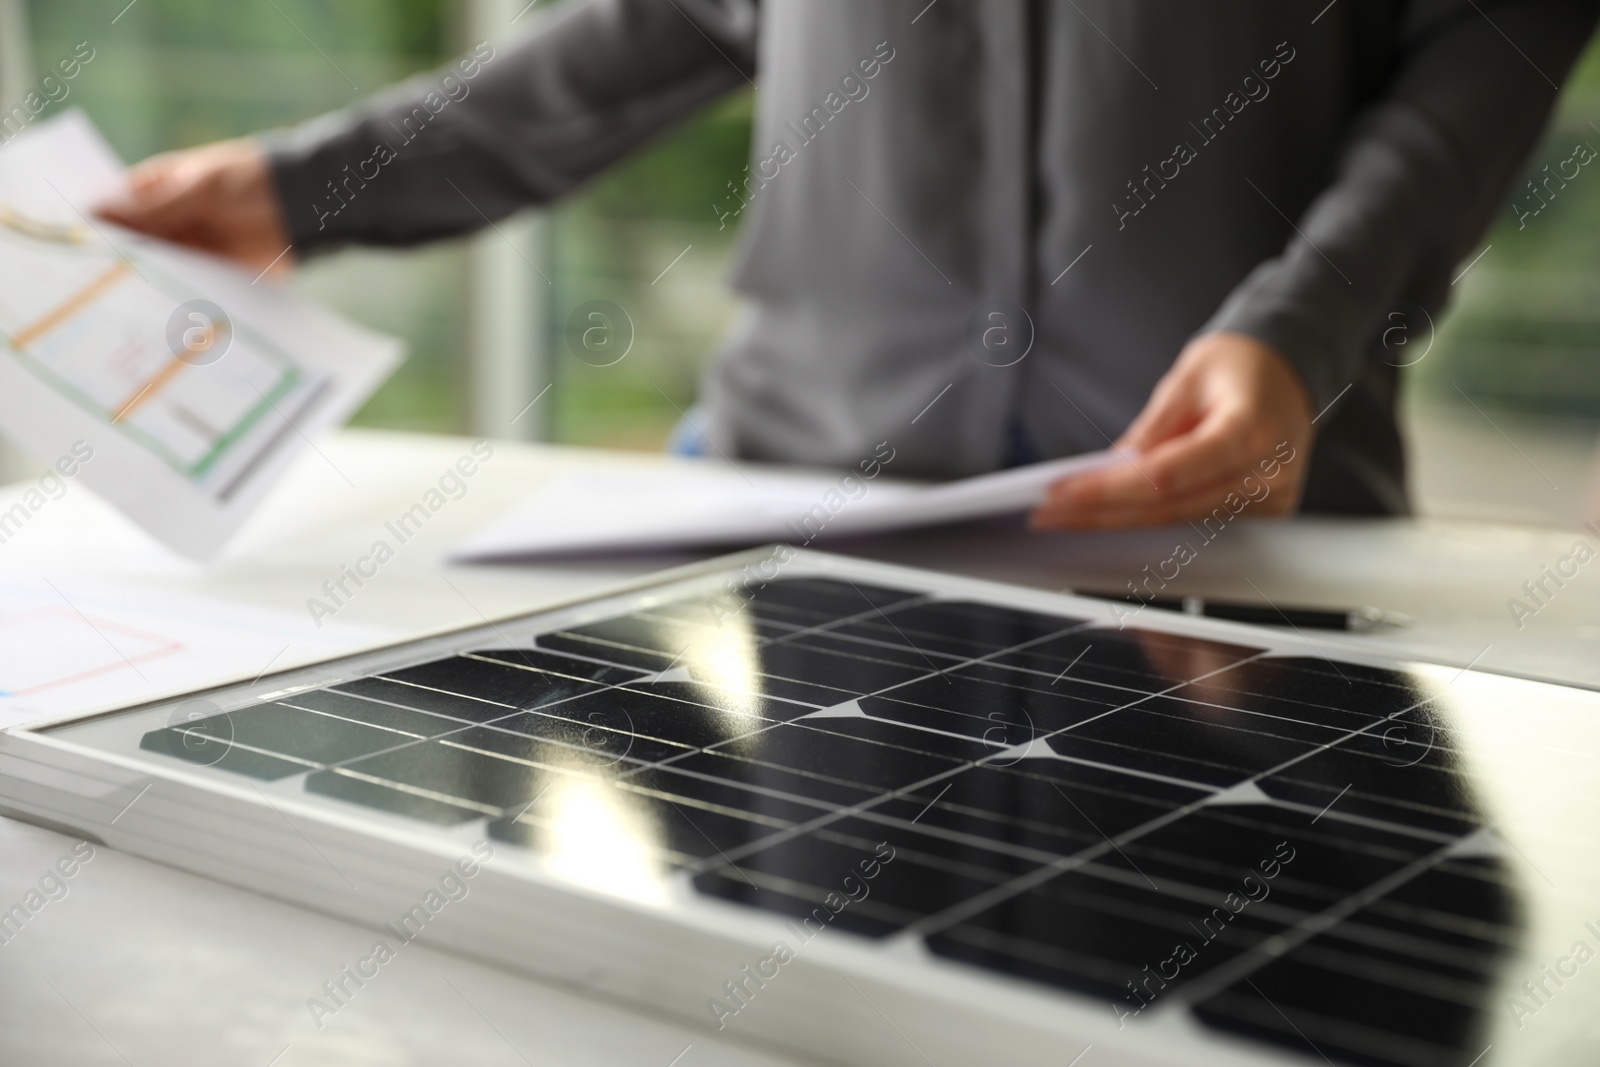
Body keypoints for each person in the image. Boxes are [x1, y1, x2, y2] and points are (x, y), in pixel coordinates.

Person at [99, 0, 1598, 530]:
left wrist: (1306, 325)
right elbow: (663, 27)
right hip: (790, 512)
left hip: (1237, 539)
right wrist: (313, 181)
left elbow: (1490, 38)